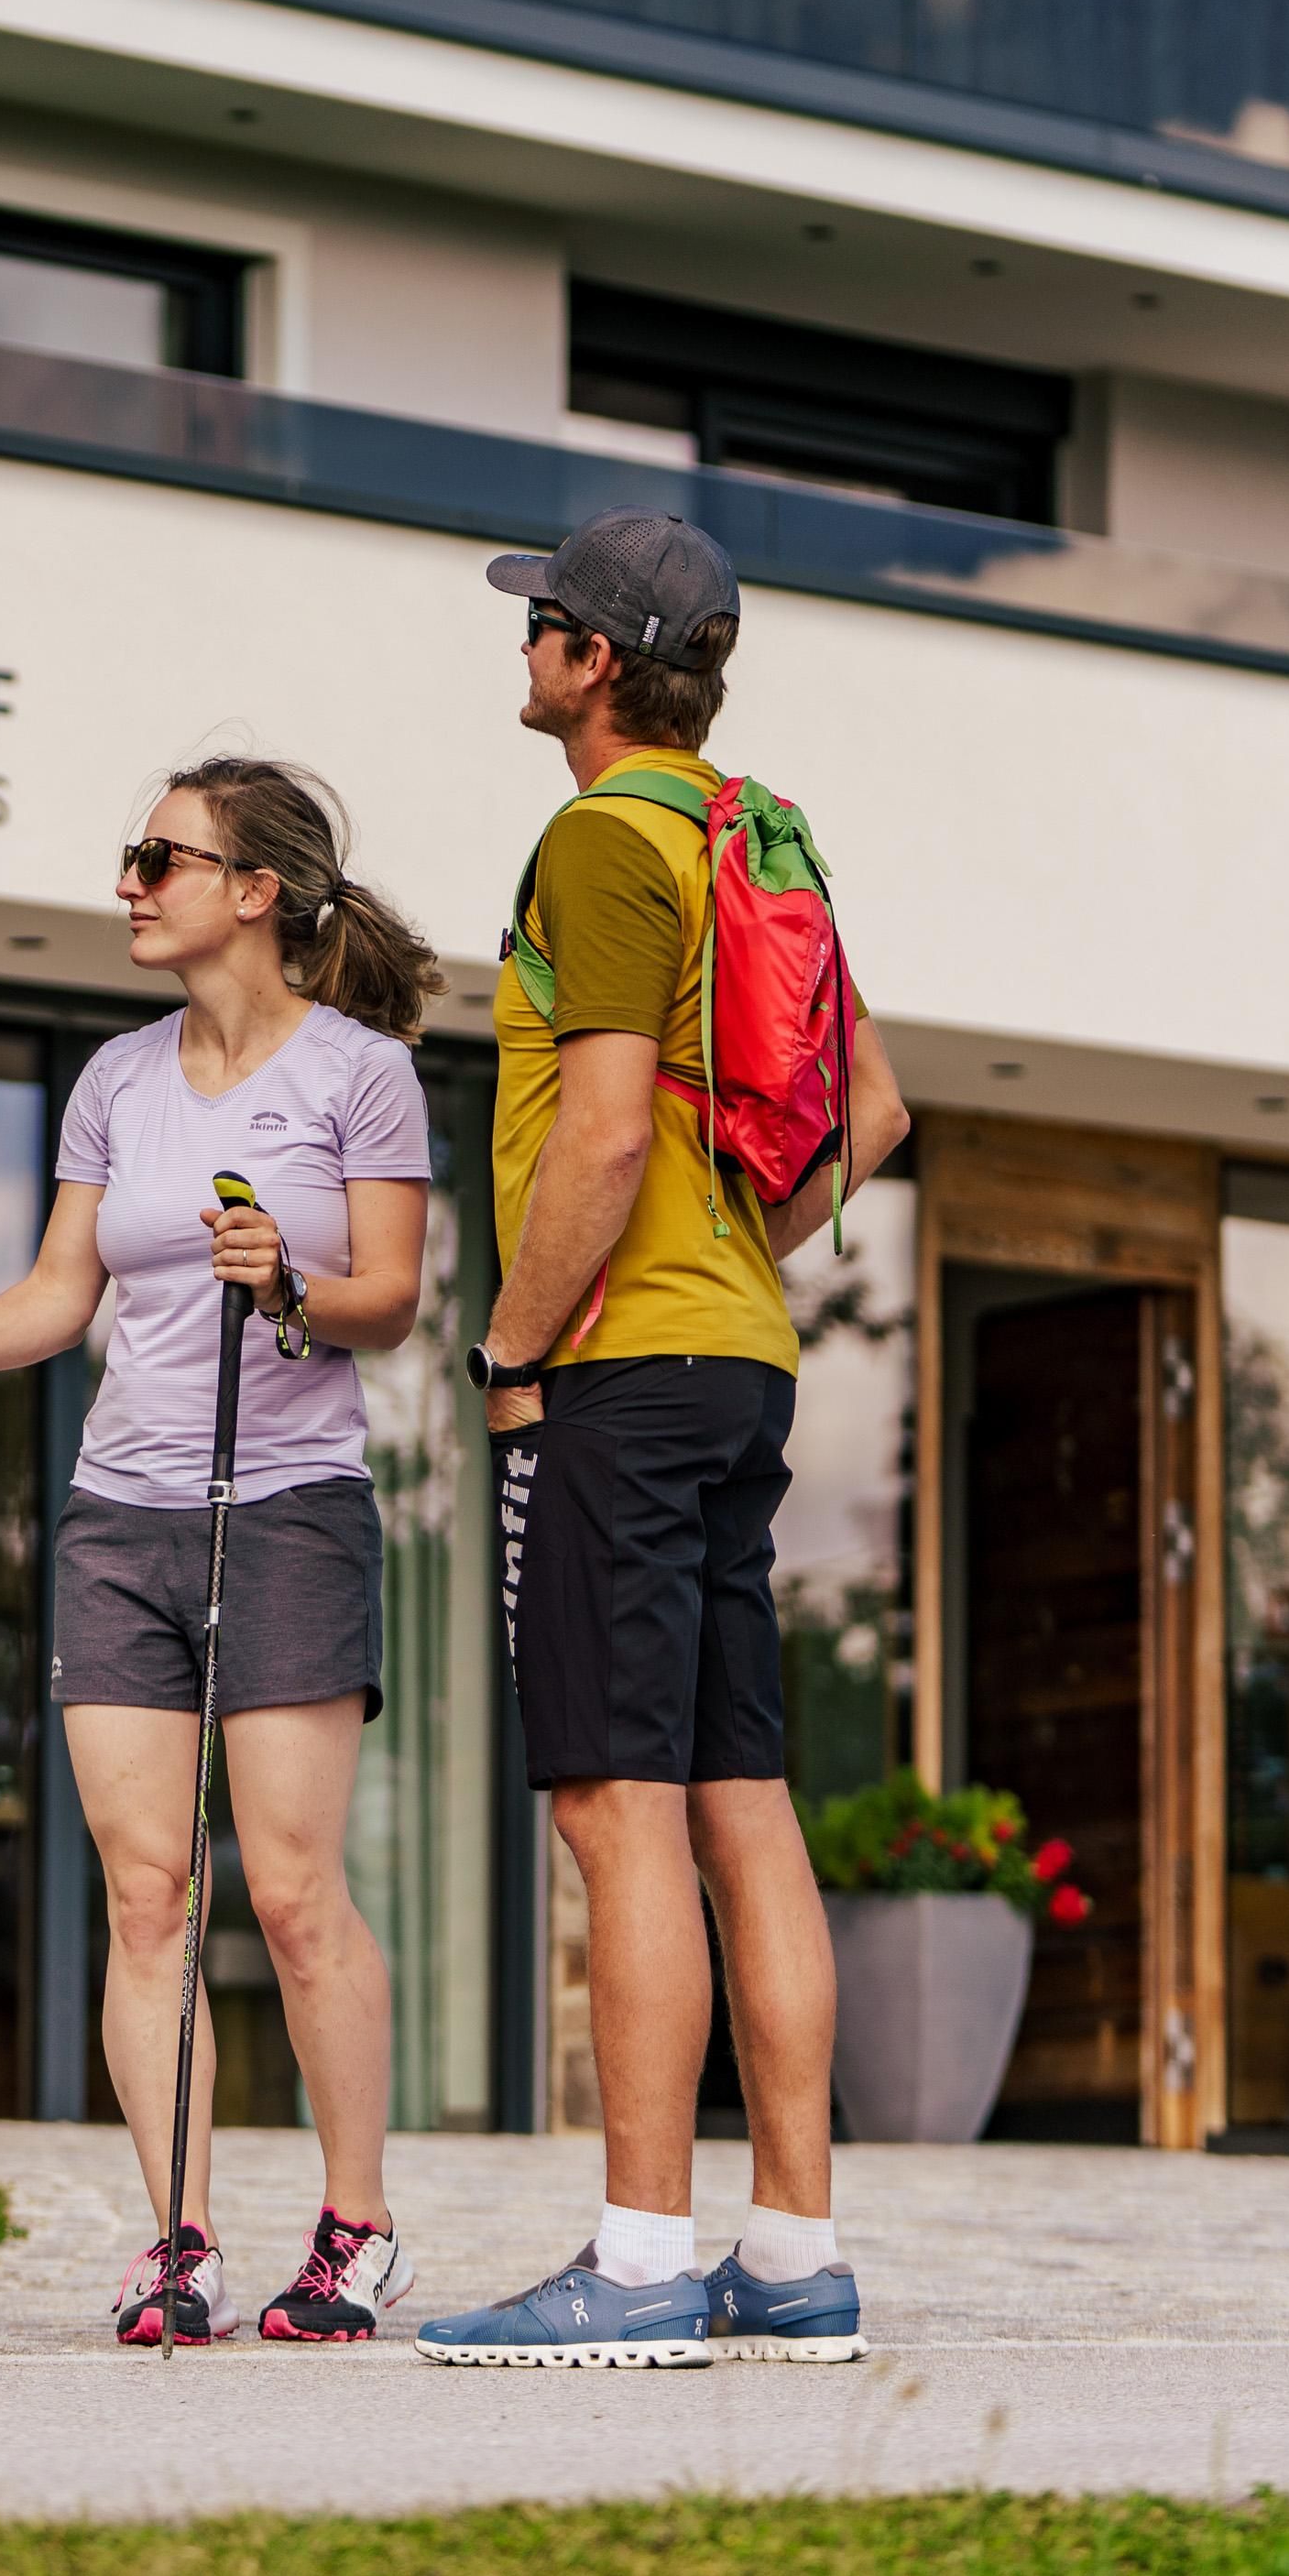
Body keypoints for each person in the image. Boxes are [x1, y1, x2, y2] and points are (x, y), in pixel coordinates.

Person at [0, 756, 439, 2349]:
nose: (129, 884)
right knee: (149, 1893)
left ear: (256, 891)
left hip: (287, 1510)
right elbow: (57, 1297)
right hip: (120, 1517)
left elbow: (388, 1299)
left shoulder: (361, 1074)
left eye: (161, 858)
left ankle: (357, 2229)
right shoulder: (117, 1078)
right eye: (133, 856)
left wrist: (286, 1281)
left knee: (289, 1892)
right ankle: (178, 2241)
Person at [414, 510, 912, 2373]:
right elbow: (875, 1112)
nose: (523, 643)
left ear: (597, 661)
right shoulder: (756, 834)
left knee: (613, 1801)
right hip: (741, 1359)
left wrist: (511, 1346)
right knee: (737, 1798)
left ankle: (635, 2263)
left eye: (542, 619)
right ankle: (791, 2254)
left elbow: (606, 1131)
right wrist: (734, 1256)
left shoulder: (602, 840)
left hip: (620, 1370)